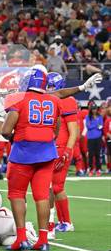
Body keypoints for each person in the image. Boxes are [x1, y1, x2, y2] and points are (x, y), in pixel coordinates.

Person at [1, 66, 102, 251]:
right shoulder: (54, 100)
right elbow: (55, 129)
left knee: (17, 195)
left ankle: (21, 238)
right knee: (42, 196)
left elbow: (6, 131)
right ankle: (43, 239)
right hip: (47, 154)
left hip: (23, 154)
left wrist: (18, 137)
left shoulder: (18, 99)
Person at [46, 73, 78, 238]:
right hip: (52, 148)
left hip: (61, 149)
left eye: (52, 86)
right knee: (55, 187)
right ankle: (64, 222)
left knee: (53, 187)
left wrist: (67, 151)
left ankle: (63, 222)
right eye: (48, 86)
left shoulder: (67, 100)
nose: (49, 89)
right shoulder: (49, 100)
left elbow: (74, 130)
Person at [85, 103, 103, 176]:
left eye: (95, 109)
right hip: (90, 138)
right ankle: (91, 169)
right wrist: (96, 124)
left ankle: (98, 169)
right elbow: (88, 126)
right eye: (93, 109)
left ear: (97, 109)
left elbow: (101, 126)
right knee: (91, 155)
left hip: (98, 137)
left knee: (98, 154)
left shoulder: (100, 117)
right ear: (91, 110)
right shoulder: (88, 117)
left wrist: (94, 125)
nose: (94, 110)